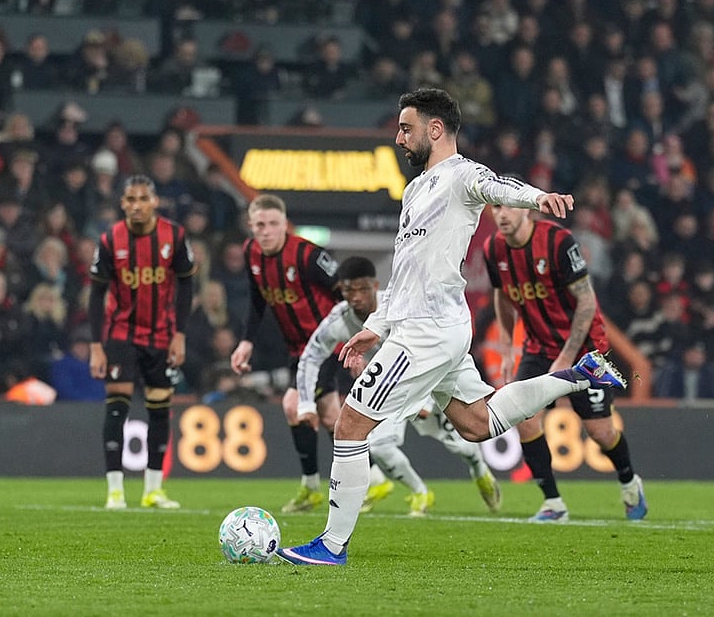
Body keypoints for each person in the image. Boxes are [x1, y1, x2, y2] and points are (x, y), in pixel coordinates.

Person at [277, 88, 625, 566]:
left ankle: (332, 545)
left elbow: (498, 186)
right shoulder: (415, 189)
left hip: (428, 331)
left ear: (434, 129)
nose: (399, 137)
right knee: (475, 423)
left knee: (351, 426)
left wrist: (540, 198)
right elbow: (403, 274)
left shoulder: (462, 175)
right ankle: (579, 375)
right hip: (431, 325)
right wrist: (376, 324)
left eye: (406, 127)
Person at [297, 256, 502, 517]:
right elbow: (310, 357)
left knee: (461, 443)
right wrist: (305, 402)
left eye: (362, 289)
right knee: (379, 446)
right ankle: (420, 492)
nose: (356, 297)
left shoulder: (401, 304)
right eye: (349, 290)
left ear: (375, 286)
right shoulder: (339, 320)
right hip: (390, 388)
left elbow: (432, 345)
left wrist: (426, 400)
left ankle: (478, 468)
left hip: (431, 379)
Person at [483, 199, 648, 523]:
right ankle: (553, 503)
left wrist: (567, 357)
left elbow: (587, 301)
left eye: (508, 207)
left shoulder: (557, 242)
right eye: (496, 207)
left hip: (585, 348)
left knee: (600, 431)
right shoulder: (494, 249)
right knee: (525, 419)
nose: (501, 214)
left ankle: (630, 483)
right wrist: (505, 344)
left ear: (527, 209)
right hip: (538, 346)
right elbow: (502, 295)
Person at [88, 174, 197, 510]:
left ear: (155, 202)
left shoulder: (174, 236)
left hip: (161, 336)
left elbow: (185, 287)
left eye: (143, 199)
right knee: (117, 406)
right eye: (130, 199)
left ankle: (153, 489)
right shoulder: (110, 240)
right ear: (122, 204)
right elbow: (96, 294)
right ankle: (115, 491)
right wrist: (96, 345)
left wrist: (179, 334)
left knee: (160, 408)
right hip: (121, 334)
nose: (136, 205)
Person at [230, 194, 343, 513]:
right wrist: (246, 341)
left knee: (293, 405)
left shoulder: (307, 255)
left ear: (285, 224)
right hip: (298, 349)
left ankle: (311, 487)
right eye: (260, 225)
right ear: (251, 227)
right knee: (332, 416)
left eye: (273, 224)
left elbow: (345, 293)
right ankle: (372, 477)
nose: (266, 231)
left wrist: (354, 337)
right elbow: (257, 300)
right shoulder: (251, 253)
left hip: (326, 344)